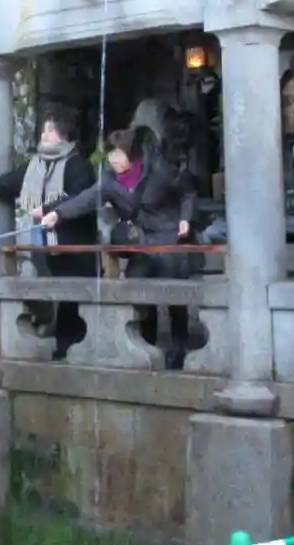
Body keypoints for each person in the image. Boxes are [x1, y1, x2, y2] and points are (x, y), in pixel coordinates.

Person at [44, 127, 197, 370]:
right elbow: (87, 199)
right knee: (137, 287)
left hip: (169, 237)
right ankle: (147, 345)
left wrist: (185, 219)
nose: (113, 160)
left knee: (174, 296)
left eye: (117, 154)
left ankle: (178, 350)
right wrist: (58, 214)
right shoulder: (110, 181)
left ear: (132, 154)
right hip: (142, 240)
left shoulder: (158, 169)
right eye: (110, 155)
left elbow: (187, 192)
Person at [0, 107, 96, 360]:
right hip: (43, 241)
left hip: (72, 241)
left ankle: (71, 344)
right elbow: (12, 181)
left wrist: (50, 210)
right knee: (47, 287)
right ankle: (56, 338)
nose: (44, 135)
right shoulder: (36, 164)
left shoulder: (78, 164)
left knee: (72, 293)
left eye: (51, 130)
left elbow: (81, 197)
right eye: (44, 129)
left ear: (65, 134)